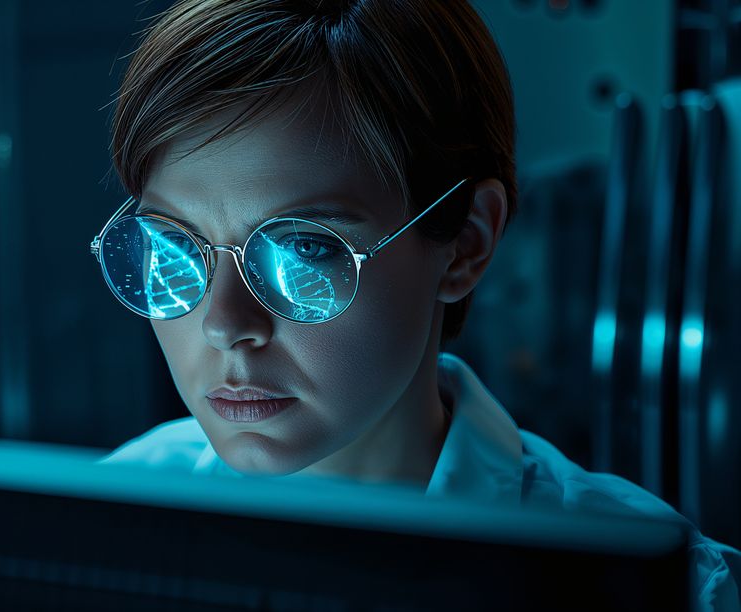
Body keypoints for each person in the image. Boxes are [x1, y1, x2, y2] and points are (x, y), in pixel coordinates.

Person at [90, 0, 740, 608]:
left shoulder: (649, 587)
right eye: (174, 251)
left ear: (465, 243)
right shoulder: (104, 525)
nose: (226, 325)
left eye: (303, 252)